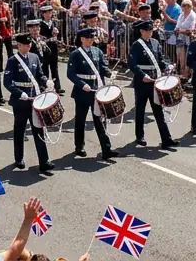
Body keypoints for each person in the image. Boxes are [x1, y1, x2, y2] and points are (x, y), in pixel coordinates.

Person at [65, 27, 116, 161]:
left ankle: (106, 149)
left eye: (92, 38)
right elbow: (70, 74)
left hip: (96, 90)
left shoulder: (97, 51)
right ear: (82, 39)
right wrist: (82, 84)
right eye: (88, 38)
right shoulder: (76, 54)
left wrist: (109, 73)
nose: (91, 40)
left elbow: (102, 67)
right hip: (82, 92)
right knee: (80, 120)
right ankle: (79, 146)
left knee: (100, 120)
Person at [4, 33, 52, 173]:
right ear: (19, 45)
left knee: (39, 129)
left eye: (29, 44)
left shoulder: (34, 57)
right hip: (21, 100)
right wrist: (19, 93)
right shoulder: (13, 60)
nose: (29, 46)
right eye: (26, 44)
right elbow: (7, 82)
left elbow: (39, 74)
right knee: (20, 130)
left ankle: (44, 162)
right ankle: (19, 158)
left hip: (34, 98)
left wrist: (46, 81)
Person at [128, 20, 177, 150]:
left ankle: (166, 139)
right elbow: (132, 64)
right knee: (140, 109)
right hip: (142, 82)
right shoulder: (136, 45)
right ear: (142, 31)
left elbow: (160, 59)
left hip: (155, 80)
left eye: (151, 31)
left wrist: (167, 66)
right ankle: (140, 136)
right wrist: (142, 76)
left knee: (158, 110)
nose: (150, 33)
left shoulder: (155, 43)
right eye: (148, 31)